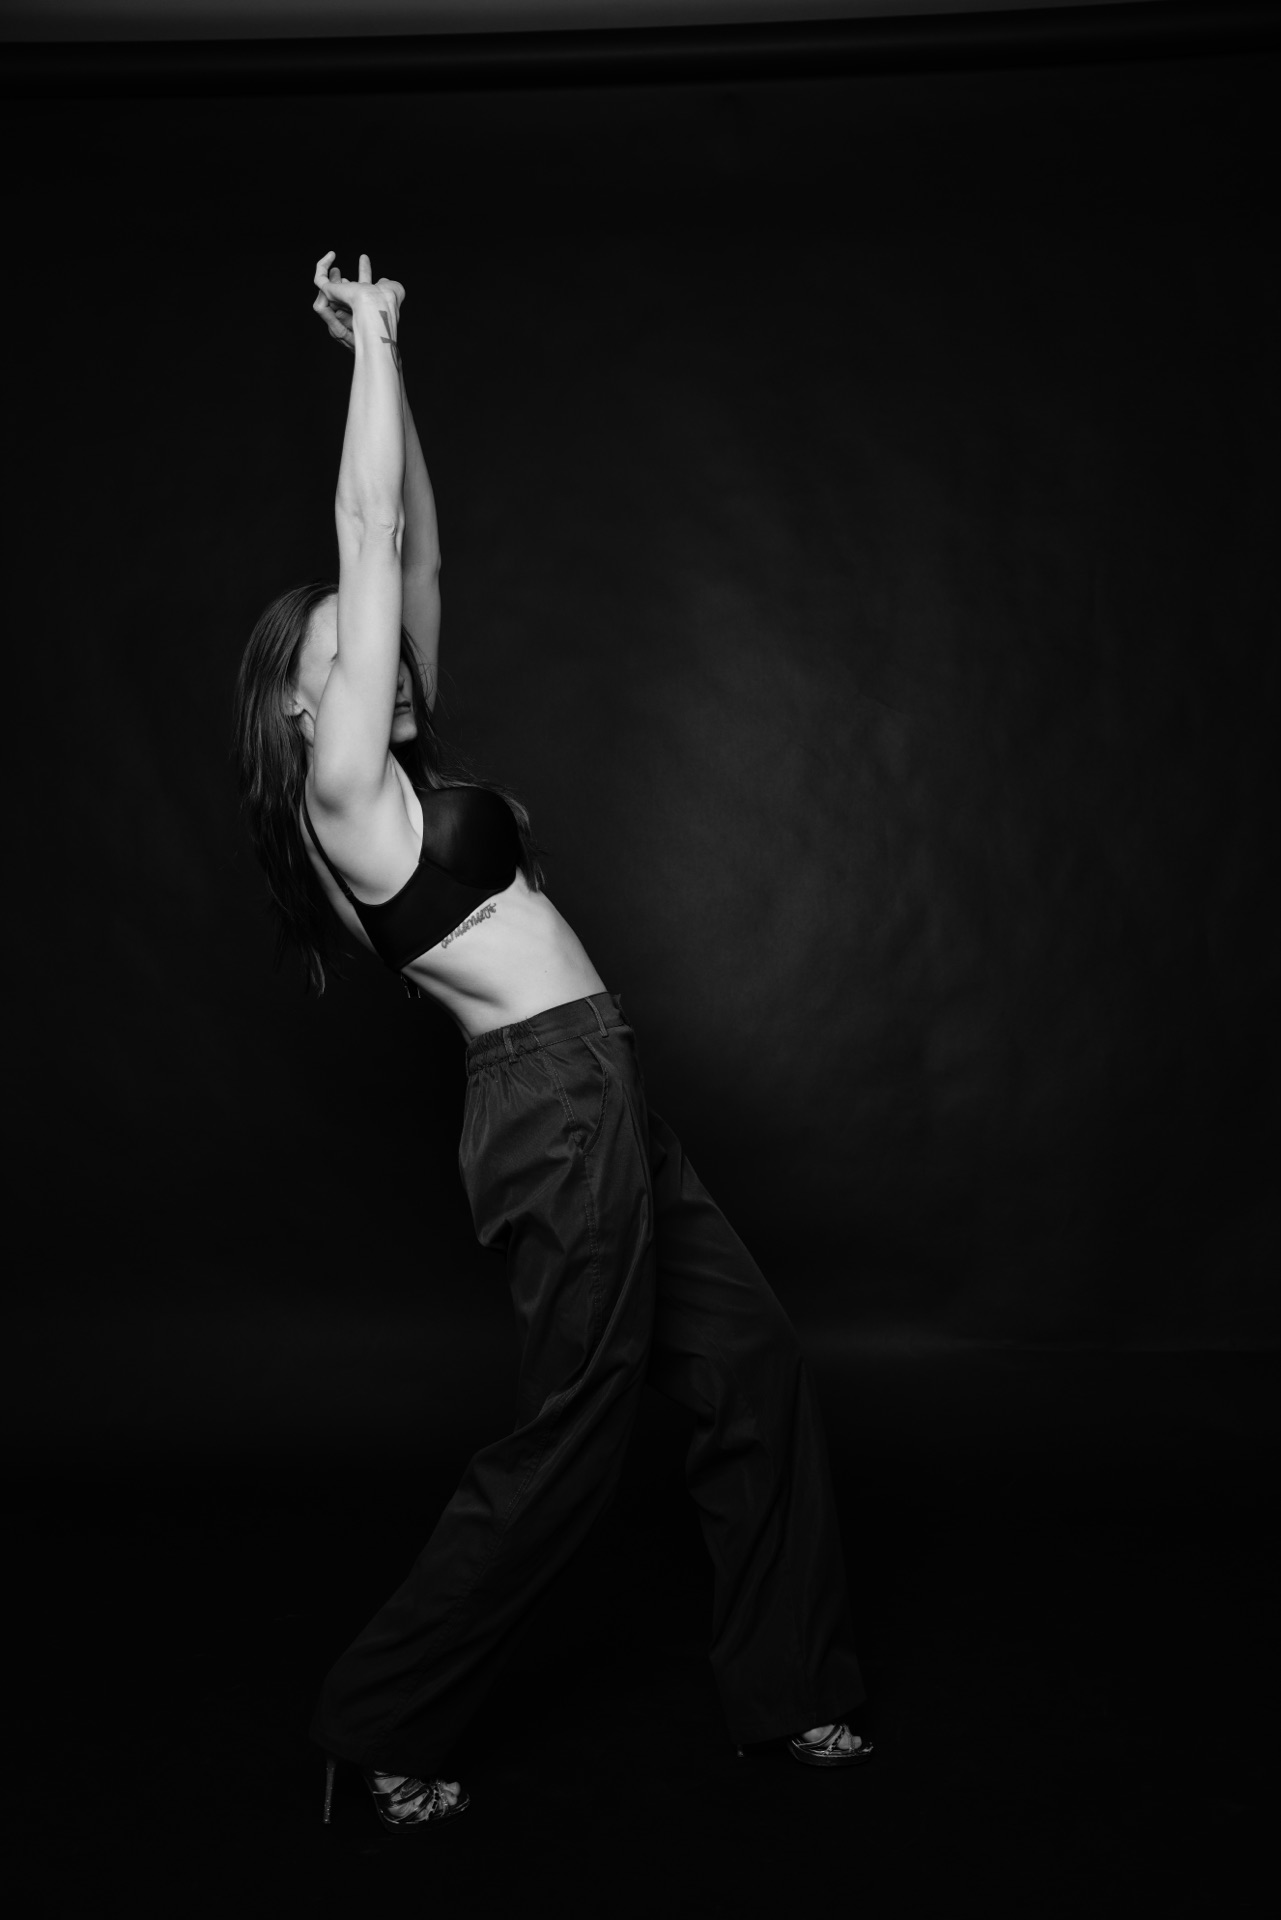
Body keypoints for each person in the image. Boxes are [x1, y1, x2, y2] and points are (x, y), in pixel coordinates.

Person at [231, 251, 871, 1834]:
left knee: (750, 1366)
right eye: (343, 657)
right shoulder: (347, 804)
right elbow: (367, 534)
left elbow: (416, 550)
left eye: (374, 648)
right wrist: (367, 340)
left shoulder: (399, 754)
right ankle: (376, 1722)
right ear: (301, 712)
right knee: (575, 1436)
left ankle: (787, 1692)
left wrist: (397, 367)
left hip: (603, 1084)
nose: (378, 660)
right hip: (552, 1102)